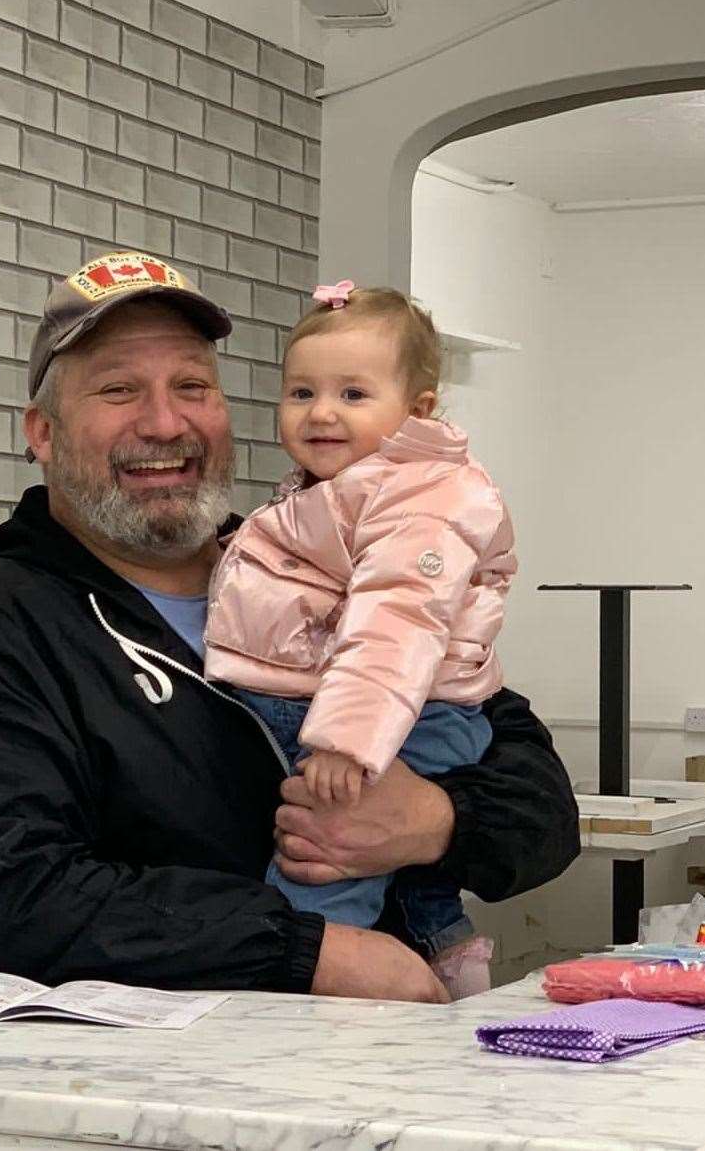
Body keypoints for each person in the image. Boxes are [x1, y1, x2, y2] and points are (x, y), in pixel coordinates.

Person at [0, 251, 578, 1003]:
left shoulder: (315, 561)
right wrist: (307, 951)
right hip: (159, 1091)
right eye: (119, 389)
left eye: (192, 386)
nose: (165, 422)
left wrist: (438, 820)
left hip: (385, 1061)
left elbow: (543, 803)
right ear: (44, 433)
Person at [204, 281, 513, 998]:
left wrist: (349, 737)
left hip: (398, 716)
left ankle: (314, 1004)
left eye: (352, 395)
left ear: (419, 411)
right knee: (380, 856)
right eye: (302, 391)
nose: (321, 413)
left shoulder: (419, 494)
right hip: (389, 709)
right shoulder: (342, 487)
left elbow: (396, 618)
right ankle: (447, 946)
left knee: (322, 857)